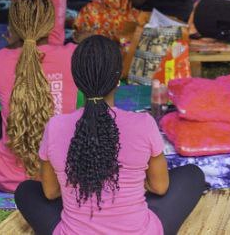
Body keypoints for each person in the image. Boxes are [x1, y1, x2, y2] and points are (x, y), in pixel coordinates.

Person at [15, 35, 206, 235]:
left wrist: (82, 183)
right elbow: (160, 187)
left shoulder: (55, 127)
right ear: (117, 80)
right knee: (192, 175)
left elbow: (51, 192)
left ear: (77, 80)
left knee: (26, 191)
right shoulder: (143, 124)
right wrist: (128, 185)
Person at [0, 0, 78, 193]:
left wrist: (12, 43)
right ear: (52, 26)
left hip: (9, 179)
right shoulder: (73, 56)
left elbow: (22, 60)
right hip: (63, 178)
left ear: (12, 26)